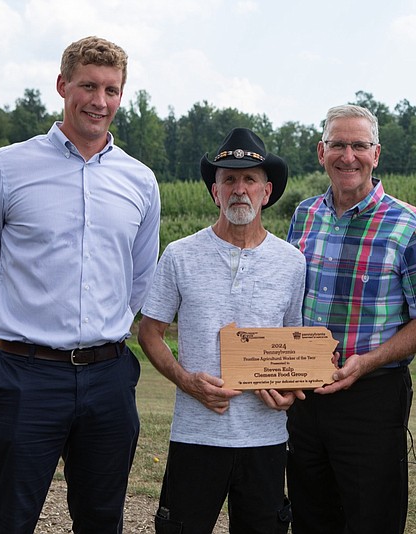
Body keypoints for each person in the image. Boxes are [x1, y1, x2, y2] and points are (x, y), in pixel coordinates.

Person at [0, 36, 161, 533]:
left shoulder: (140, 181)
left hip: (108, 378)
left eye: (111, 89)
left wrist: (104, 334)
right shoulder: (5, 168)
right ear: (63, 86)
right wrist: (0, 349)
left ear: (121, 95)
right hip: (24, 376)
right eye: (88, 85)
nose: (99, 101)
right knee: (10, 519)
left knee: (101, 519)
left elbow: (139, 276)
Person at [286, 104, 416, 533]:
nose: (348, 156)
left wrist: (370, 361)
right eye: (338, 145)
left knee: (371, 518)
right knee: (309, 516)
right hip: (304, 399)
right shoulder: (304, 216)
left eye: (359, 145)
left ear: (376, 154)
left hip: (371, 396)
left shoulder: (409, 224)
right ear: (320, 151)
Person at [137, 127, 307, 534]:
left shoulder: (292, 262)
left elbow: (292, 345)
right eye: (228, 179)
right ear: (215, 192)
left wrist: (287, 391)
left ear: (267, 191)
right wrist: (186, 380)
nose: (239, 189)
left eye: (250, 179)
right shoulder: (179, 254)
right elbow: (149, 333)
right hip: (196, 436)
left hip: (264, 440)